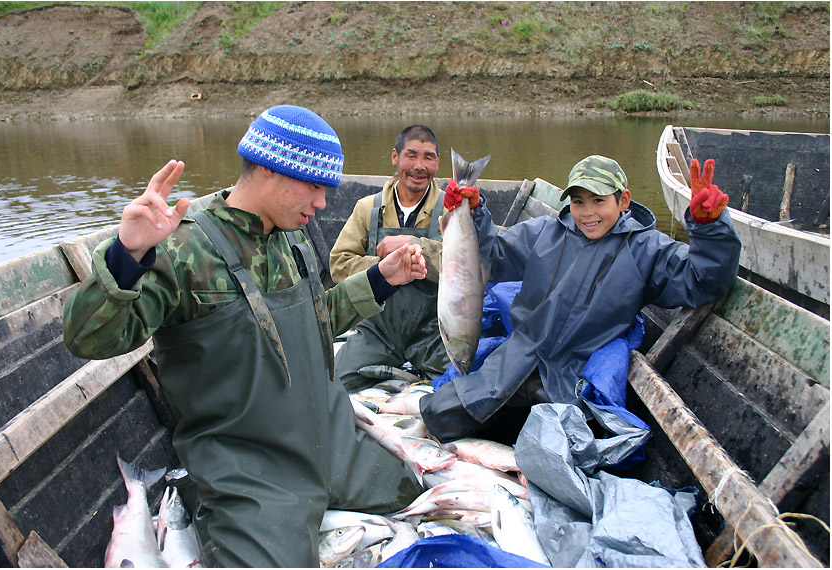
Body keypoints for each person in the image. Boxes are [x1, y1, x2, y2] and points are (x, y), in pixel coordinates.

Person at [63, 105, 427, 567]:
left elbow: (312, 329)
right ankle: (203, 500)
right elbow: (89, 341)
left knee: (413, 490)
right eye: (315, 187)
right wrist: (126, 255)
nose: (322, 205)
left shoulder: (293, 235)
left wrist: (380, 279)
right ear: (273, 170)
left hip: (326, 437)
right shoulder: (182, 247)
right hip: (250, 466)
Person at [419, 154, 741, 443]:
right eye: (578, 201)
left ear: (623, 200)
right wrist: (474, 213)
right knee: (437, 415)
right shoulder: (546, 232)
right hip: (514, 363)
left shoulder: (648, 250)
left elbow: (703, 281)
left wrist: (709, 228)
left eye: (598, 201)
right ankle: (505, 422)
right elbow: (495, 257)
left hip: (570, 381)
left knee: (561, 459)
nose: (587, 213)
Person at [329, 124, 450, 391]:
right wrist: (386, 268)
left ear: (437, 163)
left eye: (428, 157)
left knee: (458, 392)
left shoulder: (451, 210)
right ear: (395, 157)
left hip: (434, 331)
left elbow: (468, 265)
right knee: (334, 387)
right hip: (378, 329)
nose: (419, 166)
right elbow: (339, 264)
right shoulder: (367, 208)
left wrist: (418, 248)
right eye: (411, 155)